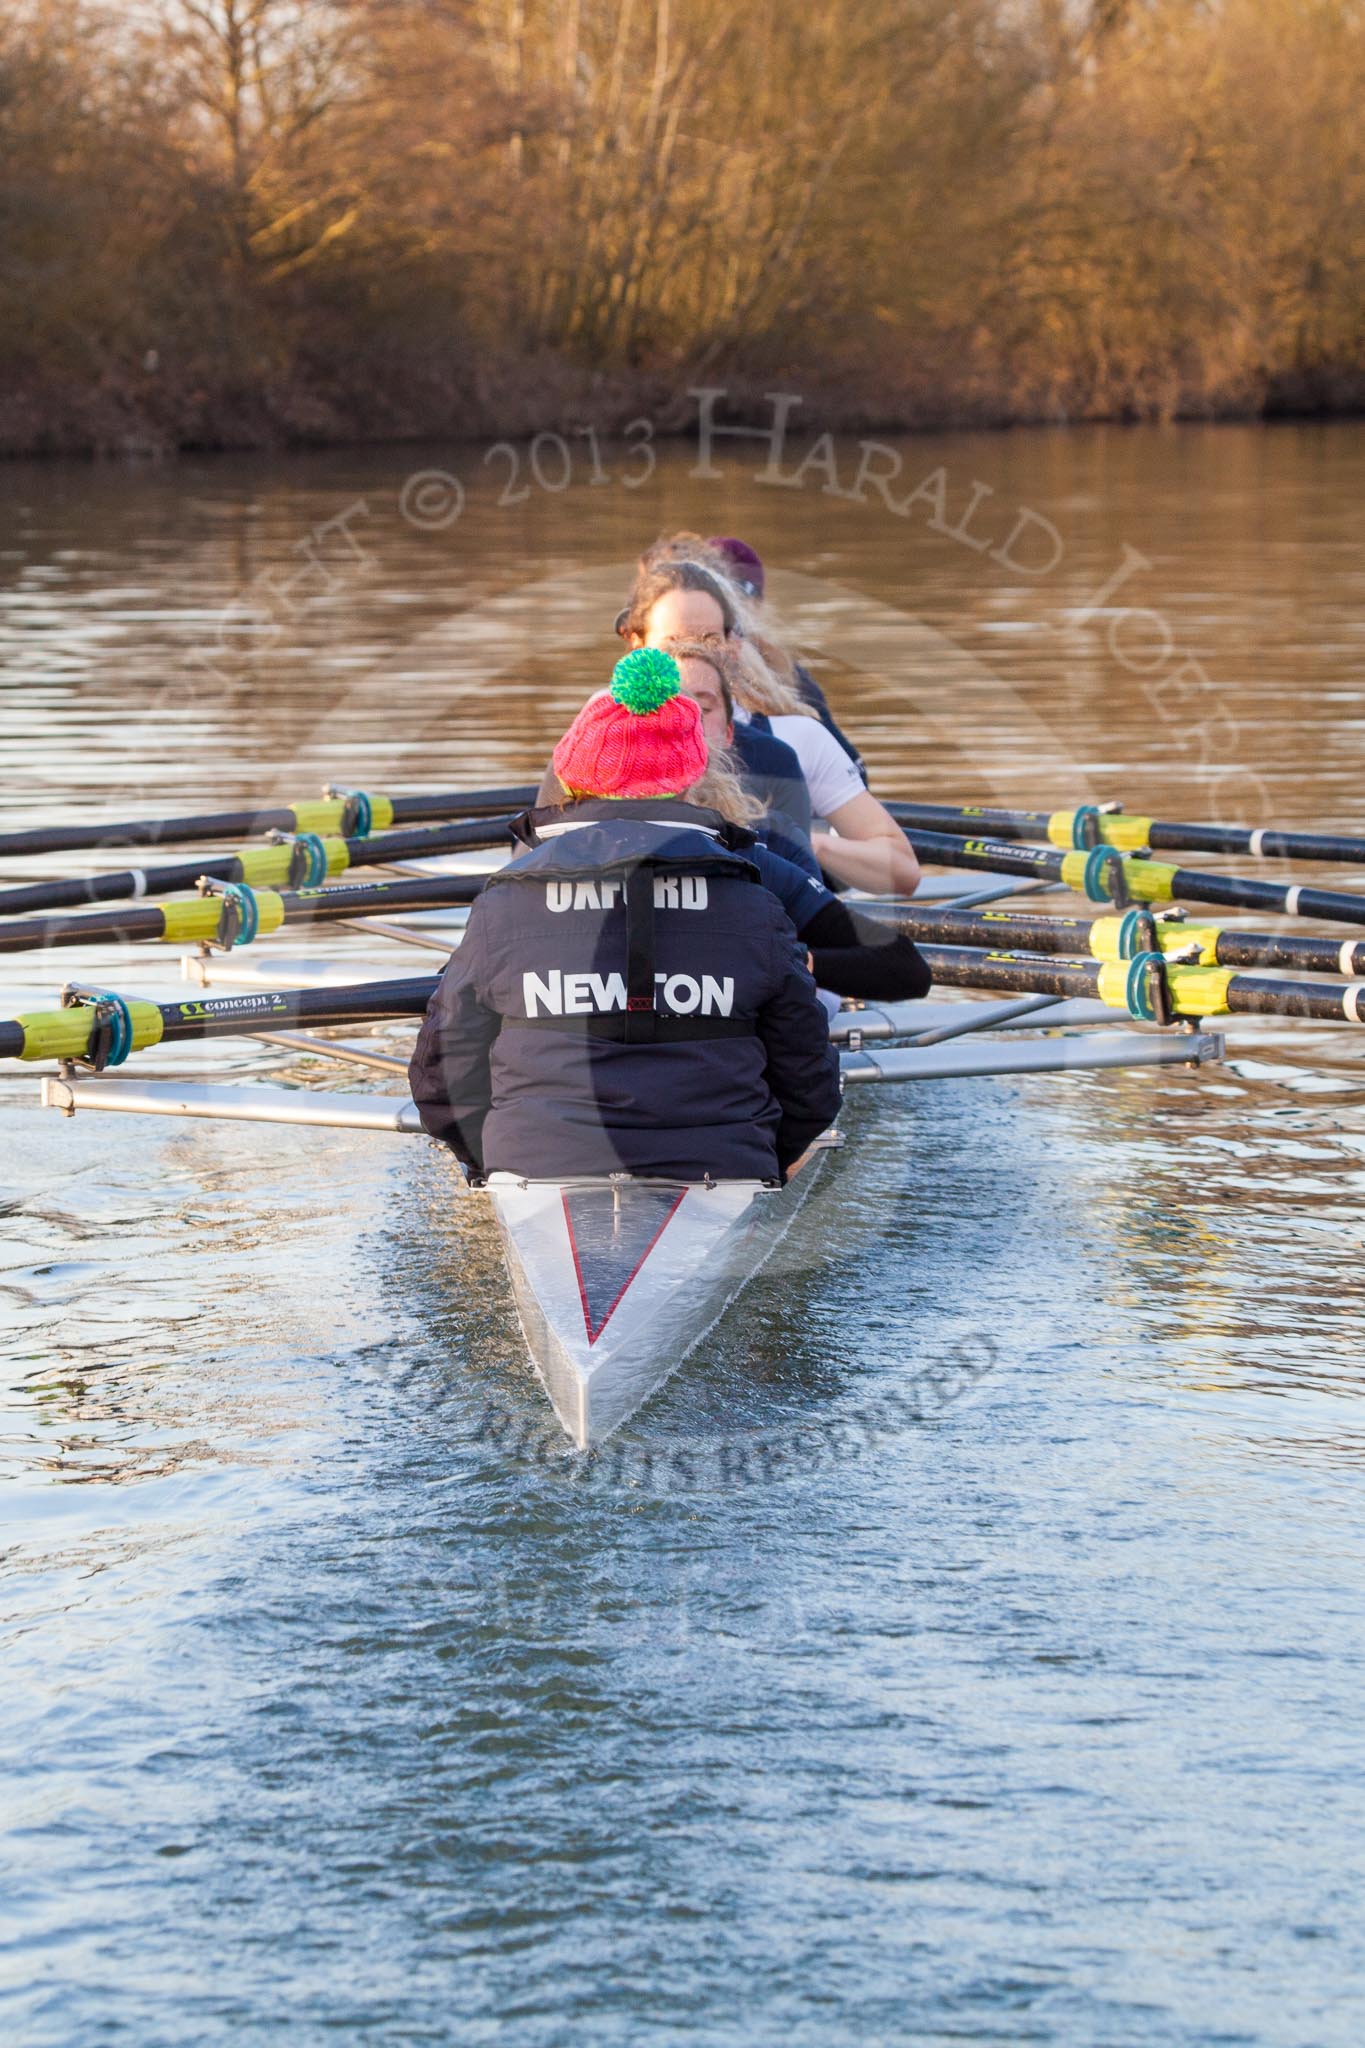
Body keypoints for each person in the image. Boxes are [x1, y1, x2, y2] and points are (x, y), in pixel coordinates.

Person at [409, 649, 844, 1186]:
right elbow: (811, 1083)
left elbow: (440, 1077)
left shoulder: (505, 902)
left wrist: (490, 1158)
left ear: (575, 781)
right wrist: (765, 1158)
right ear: (691, 782)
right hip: (720, 1163)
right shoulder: (756, 904)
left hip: (537, 1163)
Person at [616, 557, 922, 899]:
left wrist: (801, 845)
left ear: (734, 645)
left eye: (708, 640)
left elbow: (902, 871)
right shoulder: (603, 737)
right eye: (673, 642)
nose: (691, 656)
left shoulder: (794, 741)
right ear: (636, 646)